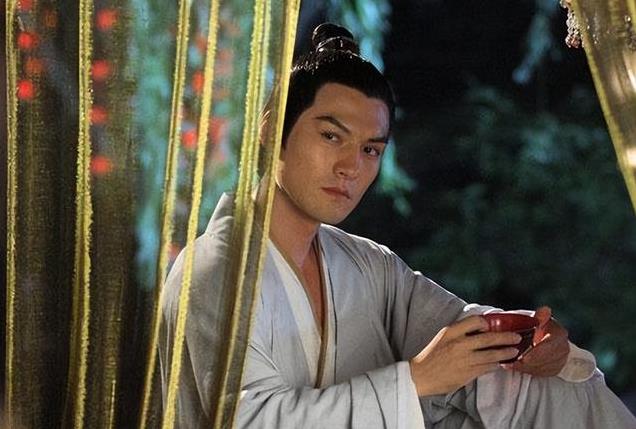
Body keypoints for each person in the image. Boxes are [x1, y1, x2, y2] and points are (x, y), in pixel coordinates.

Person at [159, 23, 636, 428]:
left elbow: (461, 335)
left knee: (543, 383)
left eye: (370, 149)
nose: (350, 167)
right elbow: (250, 420)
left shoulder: (367, 266)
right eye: (331, 136)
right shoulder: (213, 274)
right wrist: (416, 381)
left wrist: (534, 343)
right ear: (270, 130)